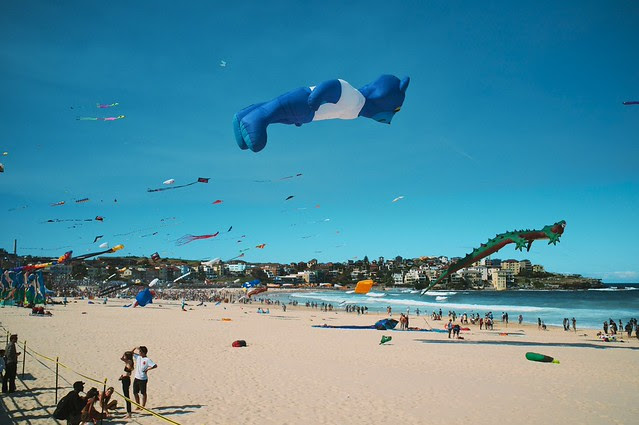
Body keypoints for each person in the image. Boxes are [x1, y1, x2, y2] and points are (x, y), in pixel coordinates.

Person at [120, 351, 134, 418]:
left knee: (127, 397)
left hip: (126, 380)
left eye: (125, 355)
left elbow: (122, 359)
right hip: (124, 379)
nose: (124, 357)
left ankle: (129, 413)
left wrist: (128, 353)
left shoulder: (129, 362)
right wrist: (125, 353)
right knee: (126, 396)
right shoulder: (128, 362)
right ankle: (128, 412)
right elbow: (122, 358)